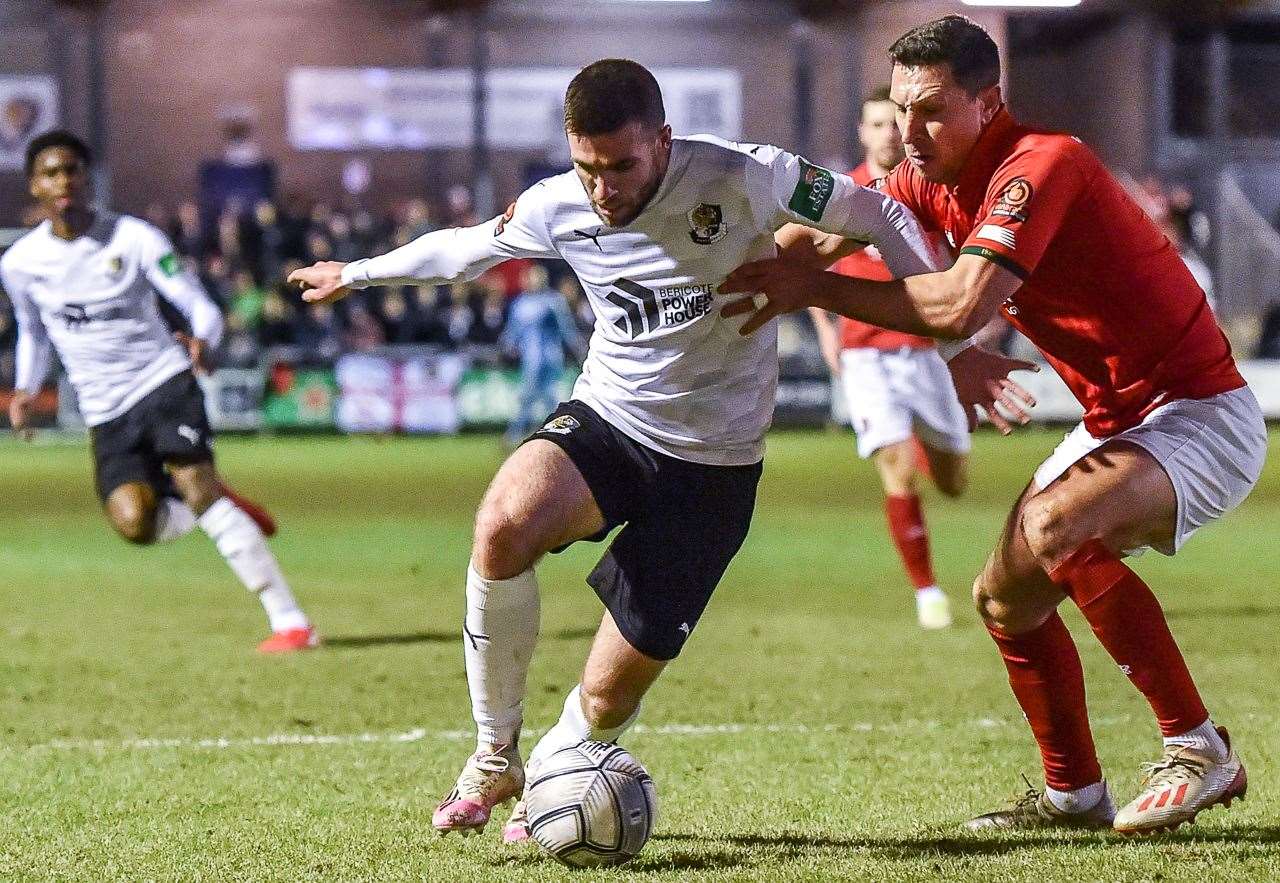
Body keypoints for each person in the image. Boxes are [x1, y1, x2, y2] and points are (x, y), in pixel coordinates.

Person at [289, 58, 1013, 842]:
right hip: (612, 421)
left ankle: (561, 770)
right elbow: (467, 249)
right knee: (503, 521)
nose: (603, 188)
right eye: (586, 167)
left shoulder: (749, 176)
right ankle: (494, 755)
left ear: (663, 140)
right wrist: (355, 274)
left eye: (621, 166)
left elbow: (880, 215)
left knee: (605, 702)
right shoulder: (559, 204)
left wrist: (954, 343)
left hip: (716, 465)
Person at [719, 16, 1264, 834]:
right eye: (901, 109)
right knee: (1005, 598)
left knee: (1054, 524)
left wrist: (810, 290)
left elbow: (961, 302)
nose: (909, 130)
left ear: (987, 102)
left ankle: (1198, 748)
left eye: (932, 109)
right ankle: (1074, 795)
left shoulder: (1042, 164)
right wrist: (717, 269)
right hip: (1120, 420)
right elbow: (824, 236)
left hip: (1198, 411)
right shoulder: (922, 175)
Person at [2, 130, 317, 654]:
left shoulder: (134, 238)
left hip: (162, 380)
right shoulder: (21, 264)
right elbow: (32, 332)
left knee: (197, 486)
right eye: (51, 173)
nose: (64, 182)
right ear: (35, 185)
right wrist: (26, 389)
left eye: (73, 170)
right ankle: (214, 503)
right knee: (135, 523)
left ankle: (291, 622)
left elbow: (200, 307)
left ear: (87, 177)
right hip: (105, 409)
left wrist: (203, 341)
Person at [808, 86, 971, 630]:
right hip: (865, 354)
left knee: (952, 480)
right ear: (862, 132)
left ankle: (927, 443)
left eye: (892, 124)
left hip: (926, 351)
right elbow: (811, 264)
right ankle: (928, 592)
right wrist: (827, 332)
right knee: (897, 469)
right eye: (875, 124)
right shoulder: (843, 194)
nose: (886, 134)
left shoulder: (929, 191)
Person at [500, 263, 586, 446]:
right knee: (529, 395)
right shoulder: (520, 303)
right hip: (531, 359)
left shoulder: (554, 300)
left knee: (549, 397)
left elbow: (566, 328)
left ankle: (551, 435)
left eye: (537, 276)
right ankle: (518, 433)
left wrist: (579, 348)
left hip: (551, 357)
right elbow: (513, 330)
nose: (533, 280)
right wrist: (506, 346)